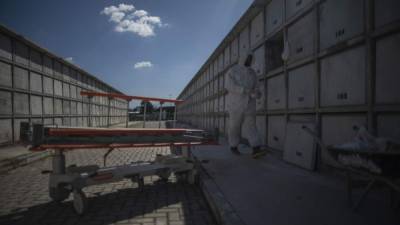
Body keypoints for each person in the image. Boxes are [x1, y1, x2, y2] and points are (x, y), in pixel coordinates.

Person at [225, 52, 266, 158]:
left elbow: (257, 86)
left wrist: (257, 93)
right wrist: (244, 90)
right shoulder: (233, 71)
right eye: (247, 58)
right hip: (235, 104)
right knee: (235, 126)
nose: (249, 60)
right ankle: (233, 146)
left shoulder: (252, 73)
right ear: (243, 58)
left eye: (250, 59)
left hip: (249, 104)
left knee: (251, 126)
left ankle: (256, 148)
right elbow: (229, 85)